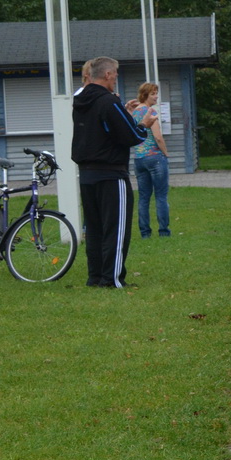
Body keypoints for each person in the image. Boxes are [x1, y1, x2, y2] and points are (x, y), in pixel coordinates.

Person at [72, 57, 147, 288]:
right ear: (106, 75)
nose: (116, 77)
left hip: (86, 174)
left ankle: (95, 277)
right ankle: (112, 279)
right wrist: (143, 124)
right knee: (116, 229)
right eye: (115, 74)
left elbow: (101, 128)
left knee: (94, 229)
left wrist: (123, 112)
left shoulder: (80, 100)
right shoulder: (107, 101)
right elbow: (131, 136)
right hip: (111, 174)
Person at [127, 82, 170, 239]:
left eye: (156, 93)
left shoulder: (134, 113)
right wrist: (166, 154)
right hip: (155, 157)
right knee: (161, 195)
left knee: (143, 197)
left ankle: (145, 233)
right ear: (145, 95)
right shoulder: (150, 112)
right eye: (153, 93)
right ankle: (164, 232)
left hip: (139, 159)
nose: (156, 96)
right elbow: (158, 137)